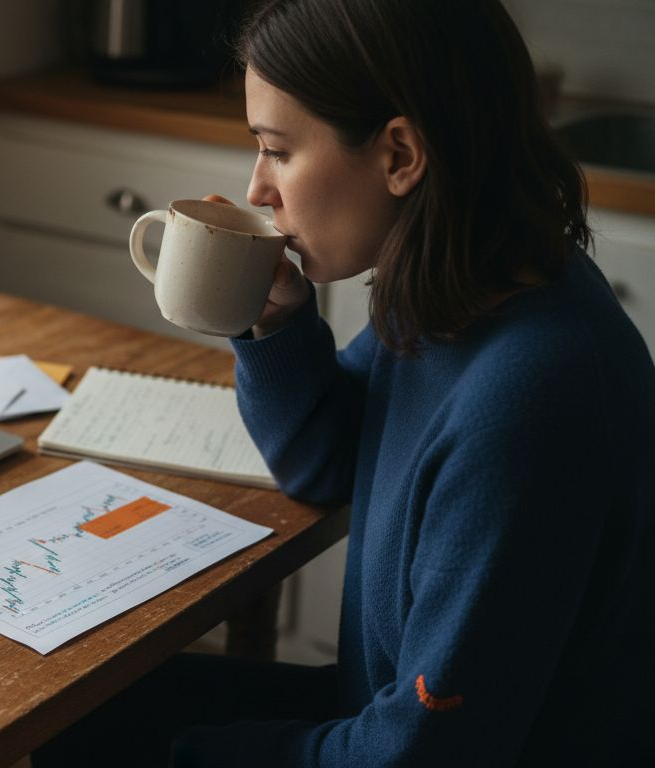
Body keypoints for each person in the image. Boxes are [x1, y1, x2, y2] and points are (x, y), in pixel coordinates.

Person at [32, 0, 655, 765]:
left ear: (399, 154)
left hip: (418, 746)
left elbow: (424, 751)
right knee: (61, 712)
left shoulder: (534, 395)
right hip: (380, 714)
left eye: (279, 151)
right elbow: (325, 459)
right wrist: (278, 323)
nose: (258, 190)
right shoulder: (462, 283)